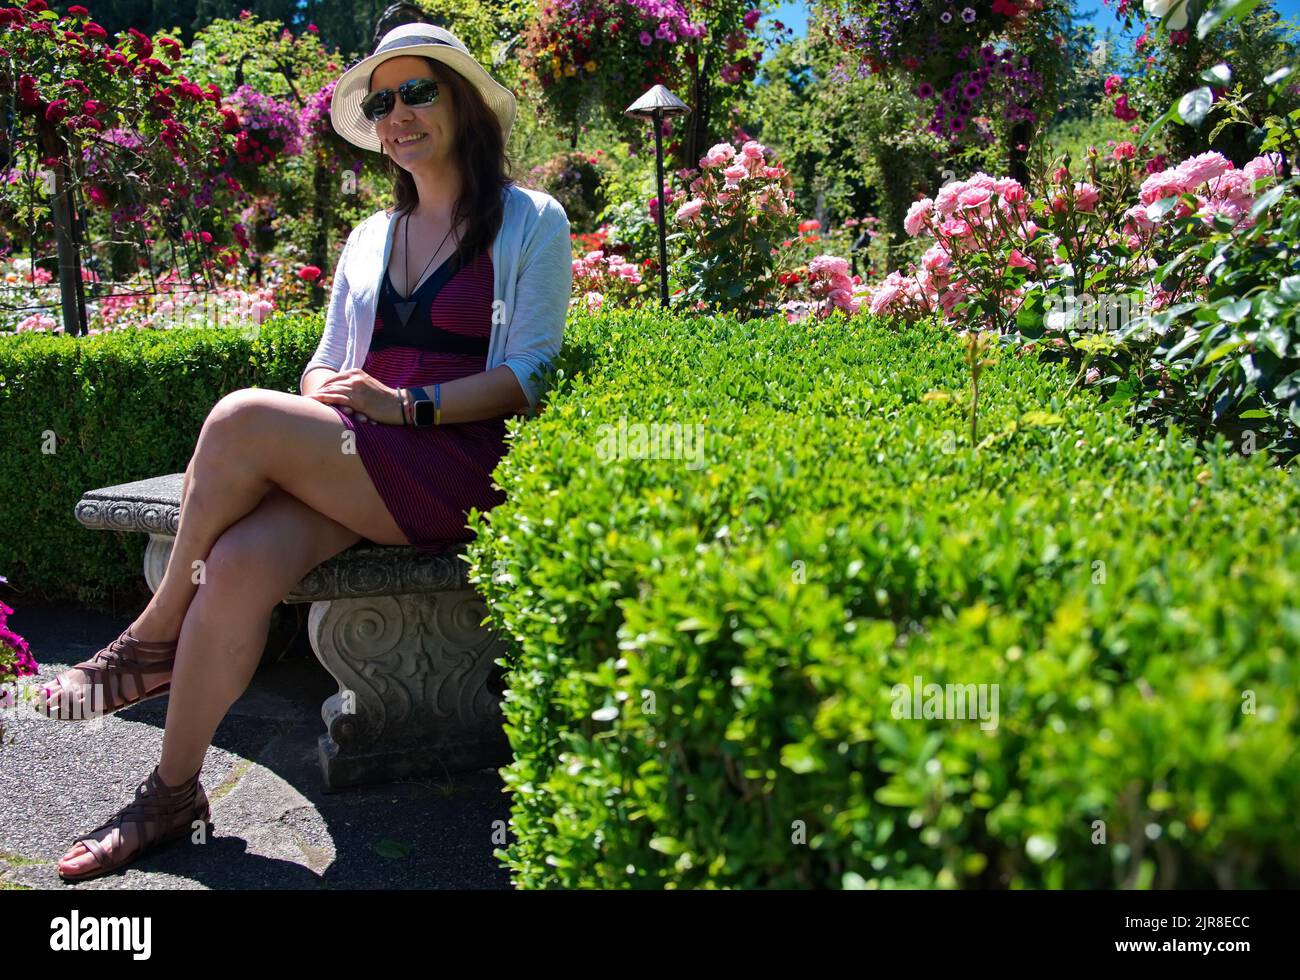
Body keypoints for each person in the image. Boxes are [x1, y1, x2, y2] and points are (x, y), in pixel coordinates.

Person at [37, 23, 573, 882]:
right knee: (240, 561)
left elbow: (529, 374)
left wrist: (405, 405)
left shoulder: (529, 220)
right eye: (381, 101)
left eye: (418, 92)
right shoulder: (369, 236)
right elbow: (326, 357)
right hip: (363, 454)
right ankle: (171, 796)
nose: (397, 114)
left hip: (454, 462)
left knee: (243, 414)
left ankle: (148, 638)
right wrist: (332, 387)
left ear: (464, 101)